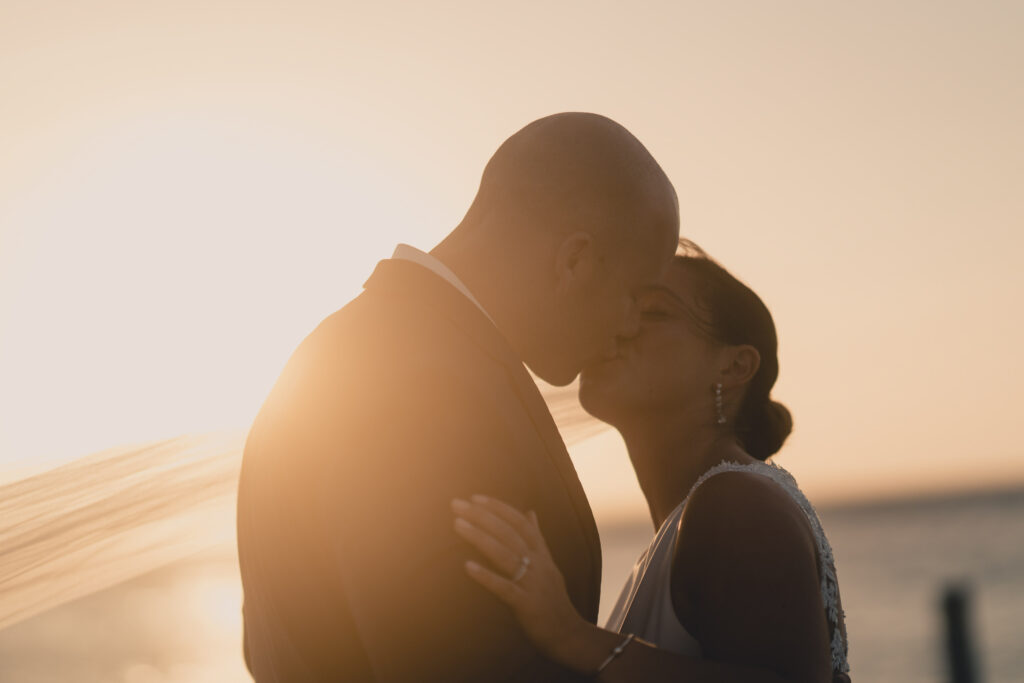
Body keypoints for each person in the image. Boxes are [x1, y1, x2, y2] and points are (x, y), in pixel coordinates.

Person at [235, 112, 680, 681]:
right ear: (574, 261)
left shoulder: (340, 351)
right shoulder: (420, 384)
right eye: (635, 295)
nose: (630, 326)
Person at [451, 242, 851, 682]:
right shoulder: (699, 515)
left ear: (735, 366)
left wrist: (572, 636)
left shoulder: (738, 504)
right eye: (620, 307)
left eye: (654, 313)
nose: (619, 327)